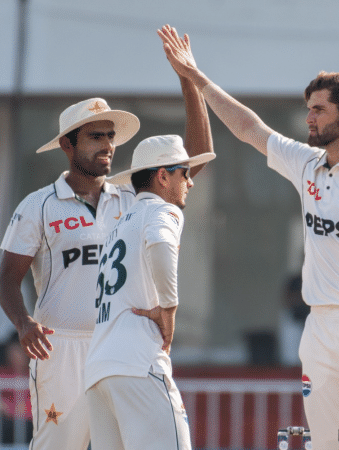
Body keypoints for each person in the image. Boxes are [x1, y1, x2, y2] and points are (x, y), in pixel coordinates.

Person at [157, 24, 339, 449]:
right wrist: (197, 77)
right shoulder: (307, 163)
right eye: (310, 108)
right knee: (324, 442)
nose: (310, 117)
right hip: (318, 325)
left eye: (319, 109)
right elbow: (249, 129)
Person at [0, 65, 213, 448]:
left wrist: (189, 83)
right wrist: (23, 322)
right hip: (59, 347)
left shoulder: (134, 196)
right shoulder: (38, 205)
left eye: (111, 137)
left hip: (115, 342)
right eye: (96, 136)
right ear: (67, 144)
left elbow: (191, 164)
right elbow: (6, 280)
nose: (108, 145)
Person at [83, 134, 214, 449]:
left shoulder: (120, 225)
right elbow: (160, 243)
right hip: (138, 362)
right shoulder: (161, 210)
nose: (191, 182)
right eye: (184, 172)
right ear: (163, 175)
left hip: (99, 369)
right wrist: (169, 308)